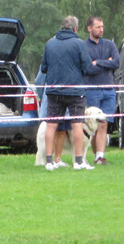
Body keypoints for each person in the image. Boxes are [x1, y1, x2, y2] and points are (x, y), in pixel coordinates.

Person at [40, 16, 94, 171]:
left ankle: (50, 161)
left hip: (54, 90)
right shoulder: (79, 44)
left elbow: (44, 68)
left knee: (51, 125)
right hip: (76, 90)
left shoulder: (50, 44)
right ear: (75, 29)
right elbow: (88, 67)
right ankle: (78, 161)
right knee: (77, 123)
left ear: (62, 27)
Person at [84, 17, 120, 165]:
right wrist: (107, 63)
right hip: (92, 90)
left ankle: (100, 156)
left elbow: (116, 63)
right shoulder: (83, 46)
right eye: (98, 27)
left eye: (102, 26)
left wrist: (98, 62)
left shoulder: (110, 45)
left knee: (104, 123)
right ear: (89, 28)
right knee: (94, 125)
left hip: (109, 90)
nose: (101, 29)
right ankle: (95, 155)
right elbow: (88, 68)